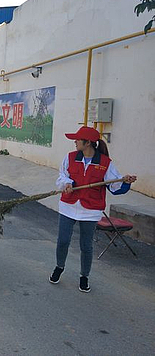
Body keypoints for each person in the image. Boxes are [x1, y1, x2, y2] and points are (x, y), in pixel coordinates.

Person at [50, 126, 136, 293]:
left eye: (77, 139)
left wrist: (125, 181)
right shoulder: (70, 158)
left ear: (87, 143)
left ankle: (84, 276)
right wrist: (67, 183)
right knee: (63, 241)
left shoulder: (105, 163)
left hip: (90, 209)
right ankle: (59, 267)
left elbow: (114, 184)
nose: (74, 142)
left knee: (86, 245)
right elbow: (62, 175)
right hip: (69, 205)